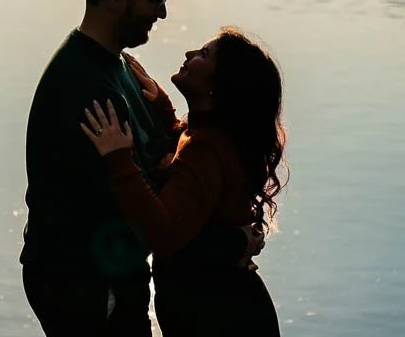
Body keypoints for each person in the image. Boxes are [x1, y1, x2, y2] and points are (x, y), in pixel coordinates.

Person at [21, 0, 255, 337]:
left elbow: (163, 159)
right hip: (86, 287)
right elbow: (143, 214)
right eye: (156, 0)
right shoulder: (87, 90)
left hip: (110, 280)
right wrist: (230, 245)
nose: (162, 14)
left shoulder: (120, 67)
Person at [81, 28, 285, 337]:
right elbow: (188, 149)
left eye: (204, 55)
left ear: (219, 87)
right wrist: (163, 111)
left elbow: (163, 233)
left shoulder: (206, 149)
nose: (189, 55)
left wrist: (119, 159)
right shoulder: (213, 137)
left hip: (221, 317)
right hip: (230, 309)